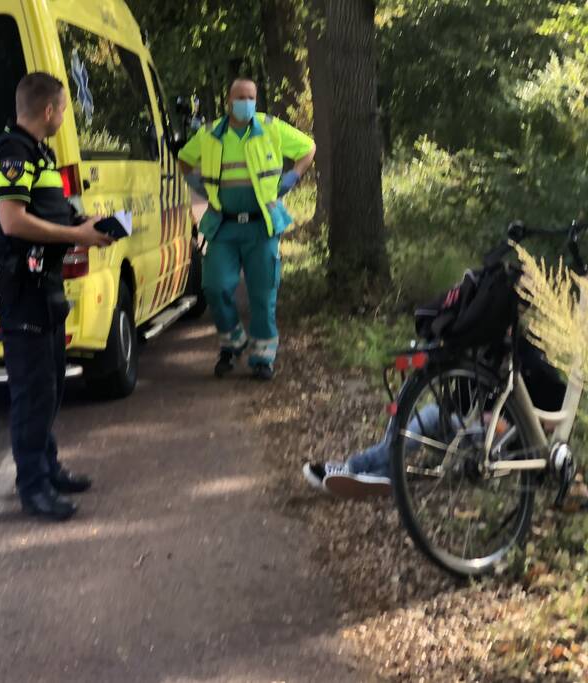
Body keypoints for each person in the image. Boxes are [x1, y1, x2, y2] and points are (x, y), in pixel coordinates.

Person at [0, 72, 113, 521]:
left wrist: (86, 221)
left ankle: (47, 466)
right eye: (64, 109)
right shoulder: (9, 155)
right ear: (49, 111)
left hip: (44, 284)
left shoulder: (38, 153)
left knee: (51, 383)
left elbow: (50, 208)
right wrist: (76, 233)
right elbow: (13, 222)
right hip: (22, 287)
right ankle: (32, 486)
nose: (65, 116)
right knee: (32, 392)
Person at [178, 78, 316, 380]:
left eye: (251, 97)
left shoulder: (270, 128)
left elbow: (308, 147)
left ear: (256, 99)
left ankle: (263, 357)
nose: (246, 103)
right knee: (214, 287)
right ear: (229, 101)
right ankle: (234, 341)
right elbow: (185, 159)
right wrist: (196, 185)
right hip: (224, 224)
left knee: (263, 294)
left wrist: (293, 176)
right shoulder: (211, 134)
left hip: (261, 225)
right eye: (240, 97)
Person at [303, 343, 567, 498]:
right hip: (470, 433)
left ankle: (372, 476)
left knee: (477, 429)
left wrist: (516, 425)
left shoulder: (530, 355)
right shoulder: (482, 353)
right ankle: (357, 468)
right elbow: (459, 406)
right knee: (430, 414)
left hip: (500, 445)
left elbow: (558, 403)